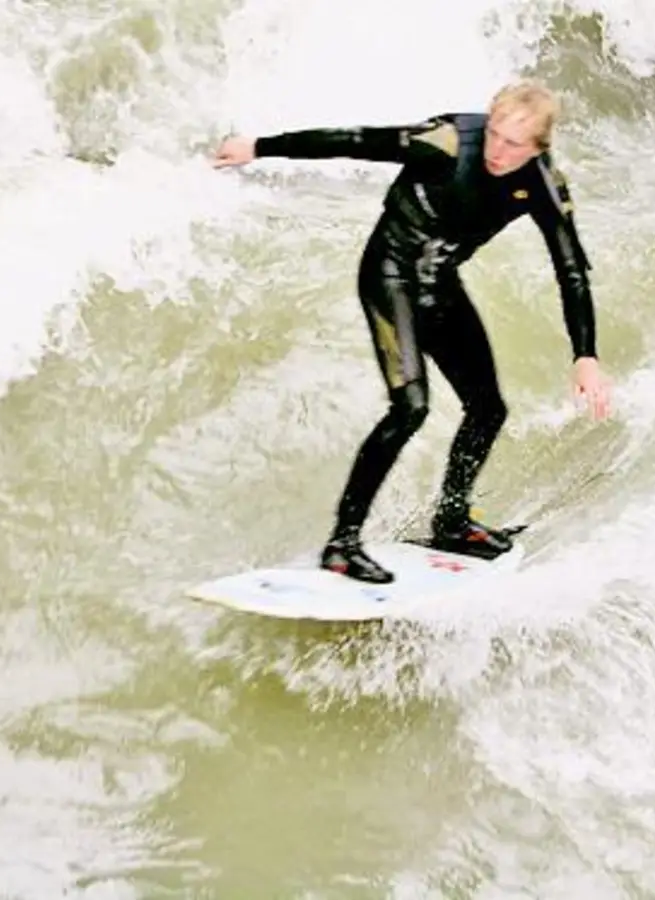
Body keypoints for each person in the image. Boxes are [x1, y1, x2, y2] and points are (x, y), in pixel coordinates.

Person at [210, 79, 611, 584]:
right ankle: (342, 542)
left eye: (513, 145)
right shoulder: (444, 142)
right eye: (493, 135)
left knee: (488, 408)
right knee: (411, 408)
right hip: (390, 274)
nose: (497, 151)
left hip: (439, 283)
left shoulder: (544, 183)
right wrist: (259, 148)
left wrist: (586, 355)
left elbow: (571, 268)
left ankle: (451, 521)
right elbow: (354, 140)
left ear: (538, 148)